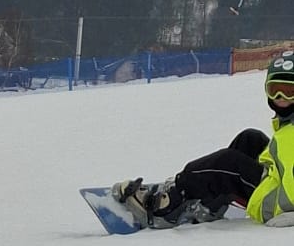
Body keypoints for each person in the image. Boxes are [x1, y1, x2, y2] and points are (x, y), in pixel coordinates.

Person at [112, 52, 294, 228]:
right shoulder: (287, 127)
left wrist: (284, 211)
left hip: (274, 203)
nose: (281, 98)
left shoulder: (289, 135)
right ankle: (209, 201)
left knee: (227, 162)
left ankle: (166, 207)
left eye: (289, 91)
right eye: (275, 90)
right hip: (276, 185)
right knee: (250, 139)